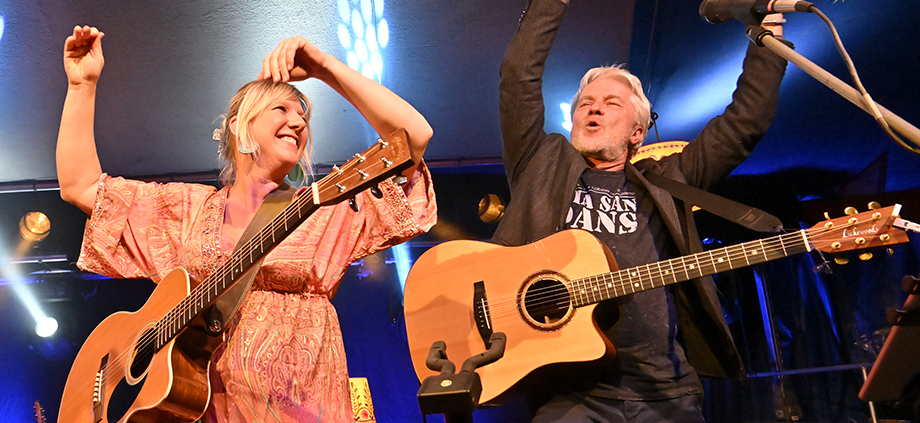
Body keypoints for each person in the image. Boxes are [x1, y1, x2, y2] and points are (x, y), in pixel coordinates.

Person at [56, 26, 436, 422]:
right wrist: (81, 87)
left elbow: (415, 137)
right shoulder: (185, 208)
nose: (299, 122)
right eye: (282, 110)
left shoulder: (329, 211)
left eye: (303, 116)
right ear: (239, 126)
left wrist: (325, 67)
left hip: (306, 406)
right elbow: (80, 186)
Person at [492, 0, 787, 420]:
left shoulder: (671, 178)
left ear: (638, 131)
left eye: (611, 102)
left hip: (665, 392)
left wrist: (766, 39)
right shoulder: (542, 162)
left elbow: (745, 122)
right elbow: (518, 78)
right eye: (585, 102)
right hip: (570, 395)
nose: (593, 107)